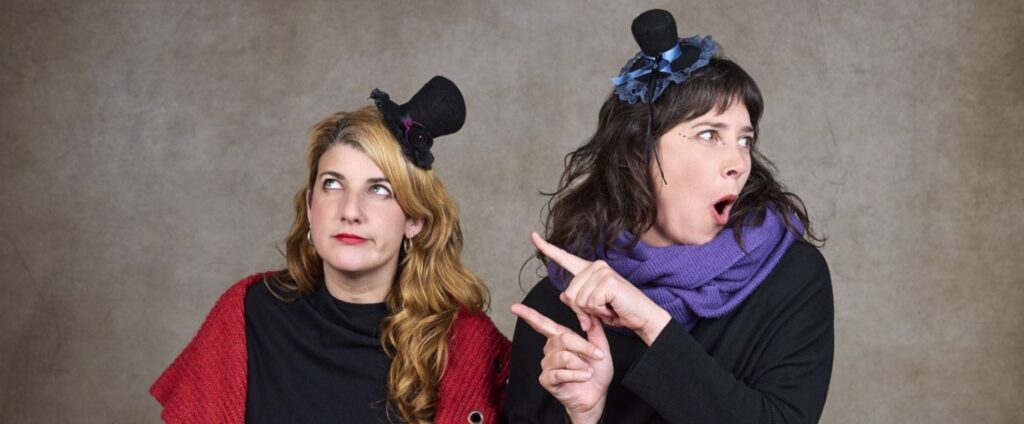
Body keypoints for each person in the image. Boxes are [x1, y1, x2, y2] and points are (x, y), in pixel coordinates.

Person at [504, 10, 834, 424]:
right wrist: (583, 417)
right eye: (709, 134)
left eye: (745, 140)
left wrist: (650, 322)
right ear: (639, 152)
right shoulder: (559, 304)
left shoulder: (790, 276)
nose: (738, 162)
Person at [151, 76, 510, 424]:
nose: (350, 211)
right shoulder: (247, 314)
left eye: (379, 190)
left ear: (414, 219)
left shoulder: (466, 342)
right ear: (310, 205)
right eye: (333, 184)